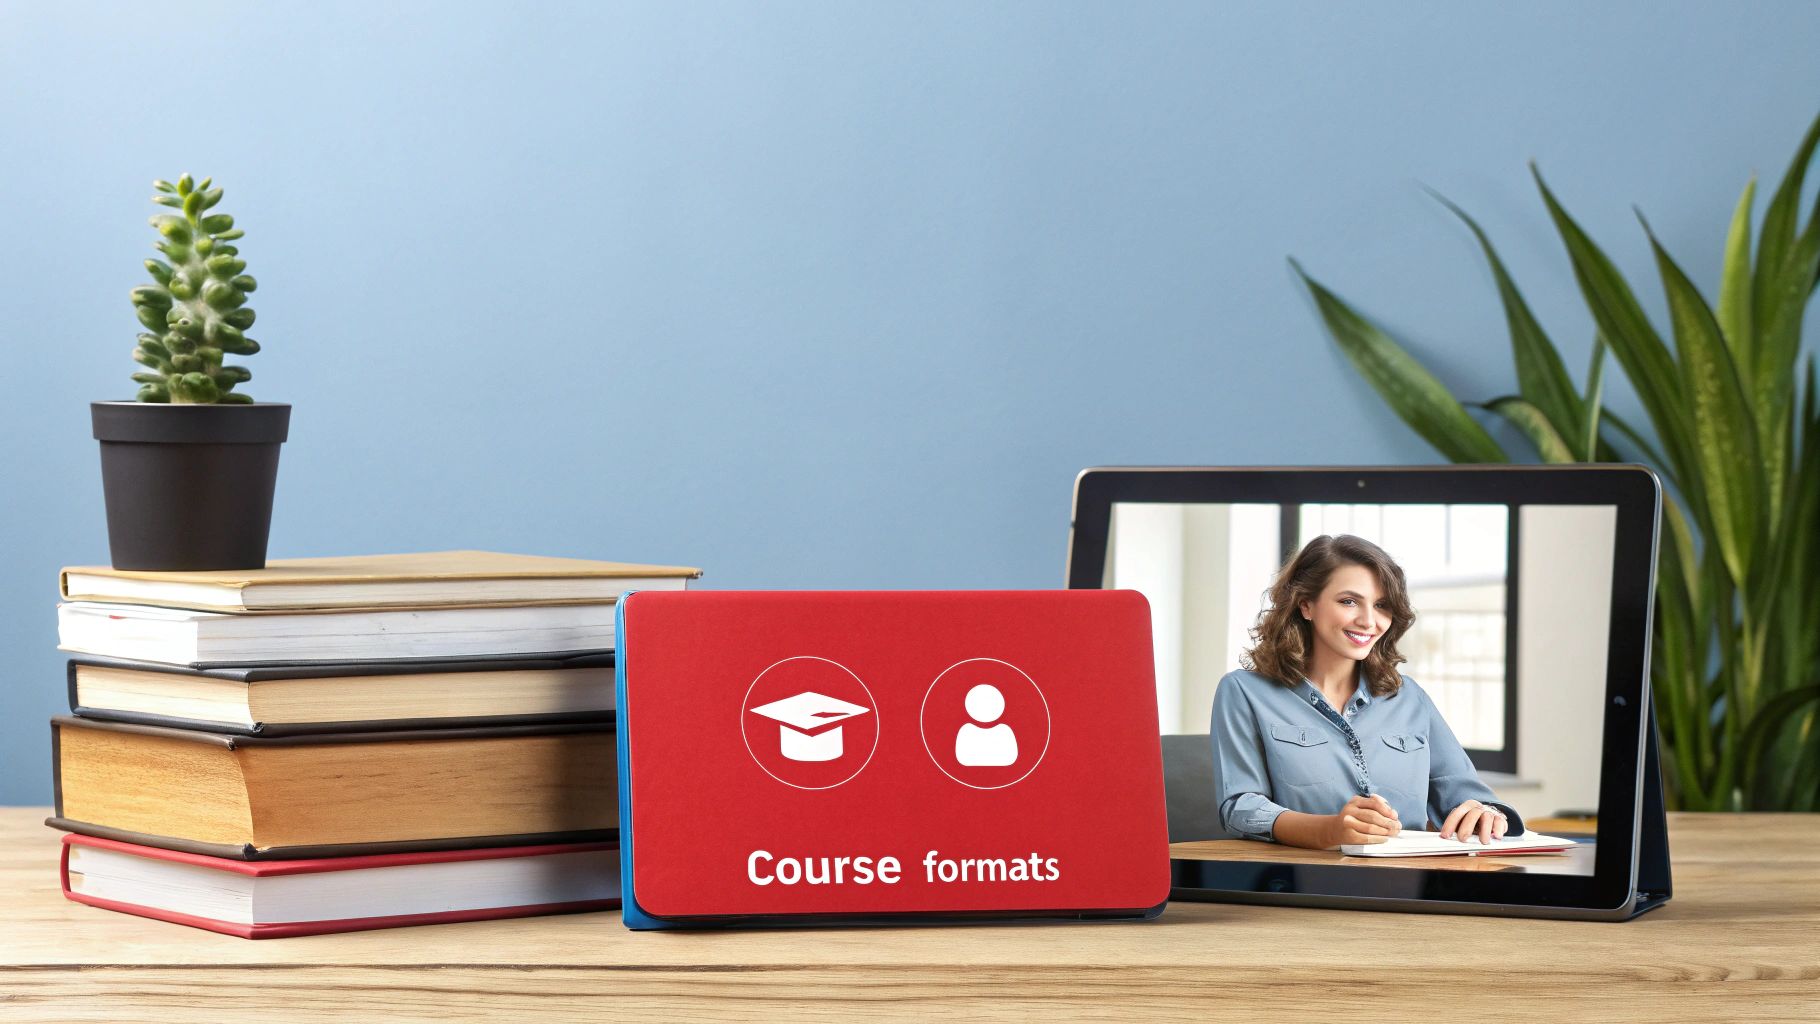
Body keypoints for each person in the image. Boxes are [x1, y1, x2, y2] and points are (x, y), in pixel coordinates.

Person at [1209, 534, 1524, 850]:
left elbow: (1462, 789)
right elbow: (1241, 807)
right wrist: (1330, 830)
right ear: (1306, 604)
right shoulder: (1244, 692)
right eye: (1348, 601)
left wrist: (1485, 811)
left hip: (1407, 886)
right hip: (1302, 883)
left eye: (1382, 605)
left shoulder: (1410, 697)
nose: (1369, 621)